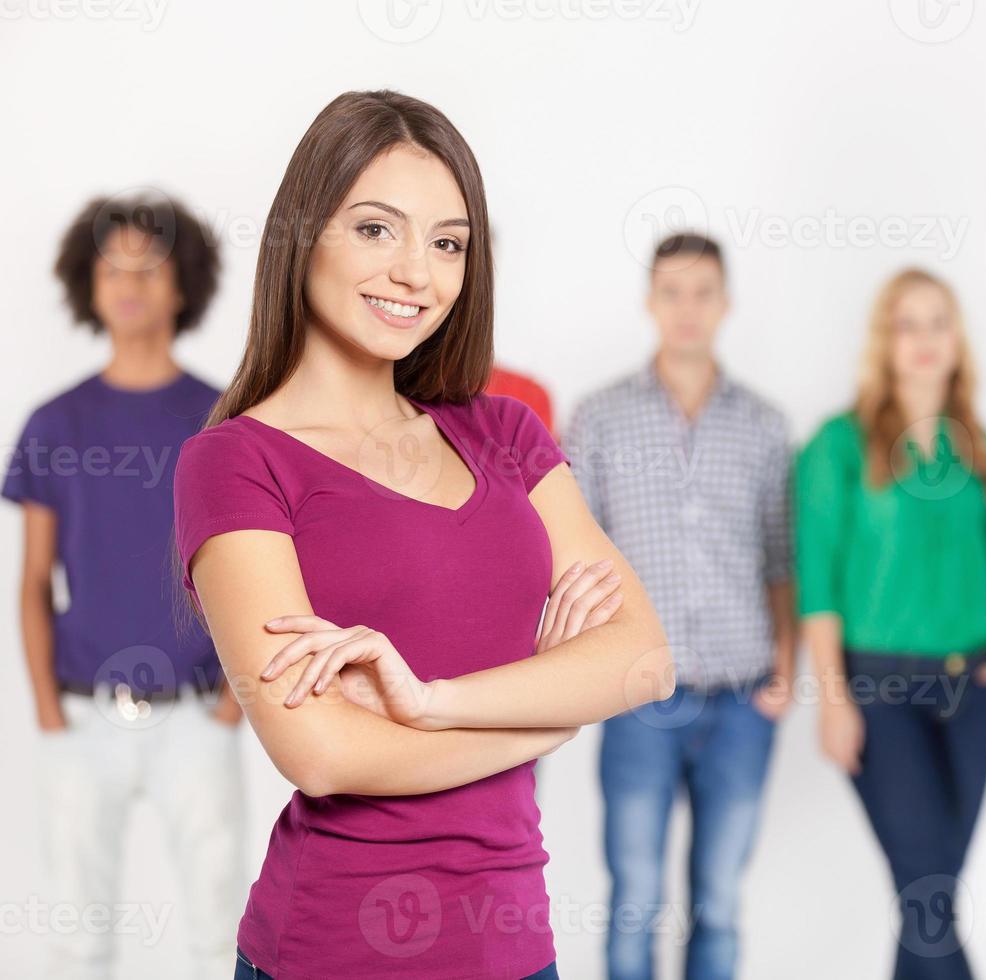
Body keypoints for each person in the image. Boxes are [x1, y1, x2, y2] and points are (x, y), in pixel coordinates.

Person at [170, 89, 673, 980]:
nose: (416, 272)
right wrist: (549, 714)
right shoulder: (234, 464)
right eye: (376, 229)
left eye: (448, 243)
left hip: (516, 949)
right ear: (303, 233)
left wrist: (428, 700)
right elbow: (321, 752)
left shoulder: (505, 433)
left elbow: (641, 663)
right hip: (333, 950)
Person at [2, 192, 243, 979]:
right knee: (78, 939)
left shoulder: (223, 420)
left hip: (194, 716)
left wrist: (232, 704)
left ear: (185, 286)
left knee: (217, 930)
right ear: (88, 284)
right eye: (111, 266)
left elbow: (254, 573)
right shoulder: (54, 423)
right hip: (81, 715)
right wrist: (44, 706)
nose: (128, 280)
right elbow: (35, 579)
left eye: (149, 263)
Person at [563, 231, 795, 980]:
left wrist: (784, 671)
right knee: (634, 895)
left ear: (725, 303)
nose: (687, 309)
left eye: (703, 292)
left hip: (741, 698)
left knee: (720, 900)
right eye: (672, 292)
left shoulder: (763, 423)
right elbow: (576, 557)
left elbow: (780, 558)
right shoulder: (599, 418)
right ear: (649, 301)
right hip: (639, 699)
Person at [793, 267, 986, 979]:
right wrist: (832, 699)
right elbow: (818, 584)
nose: (925, 340)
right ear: (884, 341)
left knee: (931, 898)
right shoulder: (838, 444)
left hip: (972, 688)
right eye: (908, 324)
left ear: (957, 340)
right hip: (880, 690)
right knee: (929, 895)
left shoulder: (979, 447)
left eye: (939, 323)